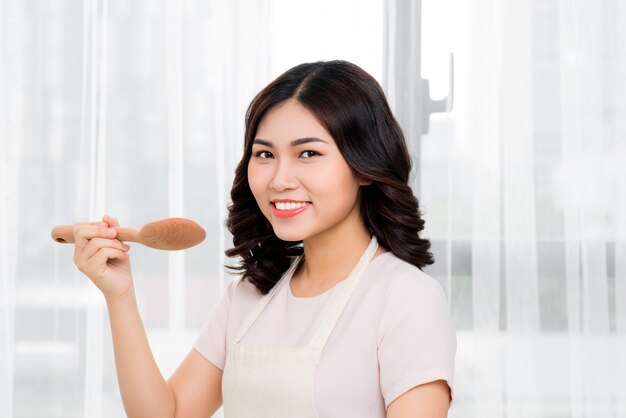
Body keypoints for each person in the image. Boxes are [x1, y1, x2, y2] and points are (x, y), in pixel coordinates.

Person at [72, 60, 456, 418]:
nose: (279, 179)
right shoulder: (252, 292)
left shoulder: (405, 297)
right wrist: (119, 296)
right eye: (264, 154)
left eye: (308, 153)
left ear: (366, 167)